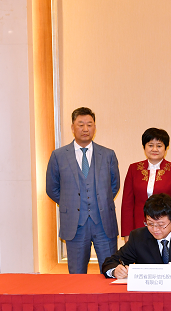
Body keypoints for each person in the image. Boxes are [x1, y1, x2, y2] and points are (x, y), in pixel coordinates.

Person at [46, 107, 120, 273]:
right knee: (76, 274)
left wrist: (101, 201)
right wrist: (69, 202)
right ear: (73, 127)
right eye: (81, 124)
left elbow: (114, 185)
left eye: (89, 124)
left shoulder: (108, 155)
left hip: (103, 223)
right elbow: (52, 188)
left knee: (111, 271)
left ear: (95, 127)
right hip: (75, 225)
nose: (85, 129)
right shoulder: (58, 155)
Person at [102, 193, 171, 278]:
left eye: (161, 225)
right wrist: (115, 271)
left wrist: (170, 268)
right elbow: (110, 262)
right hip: (148, 293)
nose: (155, 229)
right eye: (150, 223)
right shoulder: (138, 237)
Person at [121, 128, 171, 241]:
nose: (154, 149)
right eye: (150, 145)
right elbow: (127, 204)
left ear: (166, 148)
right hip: (138, 227)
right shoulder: (133, 169)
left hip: (165, 228)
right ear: (144, 147)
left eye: (159, 146)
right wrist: (127, 233)